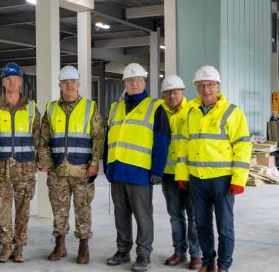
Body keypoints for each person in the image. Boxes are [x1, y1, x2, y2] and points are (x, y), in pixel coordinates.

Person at [175, 66, 251, 272]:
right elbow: (183, 145)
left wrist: (238, 179)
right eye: (201, 86)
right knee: (202, 225)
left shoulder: (232, 112)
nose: (206, 89)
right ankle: (209, 263)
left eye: (210, 85)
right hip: (197, 179)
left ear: (217, 86)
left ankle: (224, 267)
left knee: (225, 228)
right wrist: (182, 174)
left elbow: (243, 146)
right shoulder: (191, 113)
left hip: (222, 180)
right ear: (196, 88)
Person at [104, 62, 171, 272]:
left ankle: (143, 255)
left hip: (140, 173)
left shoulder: (155, 107)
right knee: (120, 215)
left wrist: (157, 171)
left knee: (143, 216)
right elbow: (109, 140)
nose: (134, 83)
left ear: (144, 82)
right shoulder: (116, 108)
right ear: (124, 83)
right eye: (130, 80)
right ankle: (123, 251)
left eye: (138, 80)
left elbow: (162, 141)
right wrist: (107, 167)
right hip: (117, 171)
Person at [37, 65, 105, 264]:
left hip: (82, 170)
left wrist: (94, 164)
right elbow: (43, 139)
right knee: (59, 210)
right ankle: (60, 246)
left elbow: (99, 138)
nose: (69, 85)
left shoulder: (90, 107)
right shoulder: (51, 108)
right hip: (57, 170)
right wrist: (46, 161)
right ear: (59, 84)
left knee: (83, 209)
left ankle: (84, 247)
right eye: (65, 81)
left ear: (79, 83)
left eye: (72, 81)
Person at [0, 61, 41, 263]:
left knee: (23, 211)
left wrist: (42, 161)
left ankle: (19, 248)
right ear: (3, 82)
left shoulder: (32, 108)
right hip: (1, 171)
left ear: (21, 81)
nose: (12, 82)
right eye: (8, 79)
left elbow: (40, 138)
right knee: (3, 211)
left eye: (15, 78)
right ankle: (6, 246)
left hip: (25, 170)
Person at [160, 75, 202, 270]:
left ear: (183, 92)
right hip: (169, 173)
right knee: (175, 216)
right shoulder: (160, 113)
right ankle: (179, 252)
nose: (171, 95)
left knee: (194, 217)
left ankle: (196, 254)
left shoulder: (193, 111)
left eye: (175, 91)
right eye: (167, 92)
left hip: (190, 173)